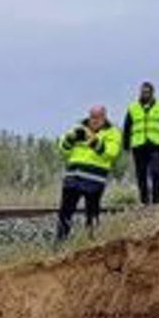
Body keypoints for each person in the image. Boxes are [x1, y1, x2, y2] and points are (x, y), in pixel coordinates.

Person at [55, 104, 121, 243]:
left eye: (98, 117)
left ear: (104, 117)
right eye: (92, 116)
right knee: (65, 212)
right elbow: (63, 149)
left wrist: (93, 141)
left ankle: (92, 243)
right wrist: (71, 138)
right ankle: (60, 243)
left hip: (94, 180)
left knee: (92, 214)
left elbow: (111, 153)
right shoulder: (78, 128)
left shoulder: (112, 132)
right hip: (72, 177)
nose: (94, 120)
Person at [120, 81, 159, 207]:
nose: (145, 94)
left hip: (155, 144)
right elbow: (127, 127)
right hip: (138, 145)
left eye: (147, 92)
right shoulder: (133, 107)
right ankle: (144, 201)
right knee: (141, 174)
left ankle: (156, 201)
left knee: (155, 173)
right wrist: (126, 145)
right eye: (143, 92)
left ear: (152, 93)